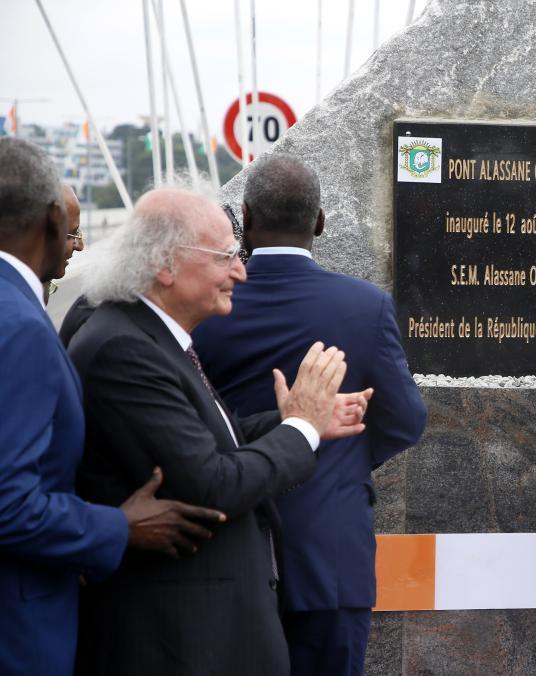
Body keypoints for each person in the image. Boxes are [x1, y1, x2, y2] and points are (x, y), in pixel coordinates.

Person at [65, 187, 369, 676]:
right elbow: (212, 483)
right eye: (225, 257)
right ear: (165, 265)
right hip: (177, 642)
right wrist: (300, 428)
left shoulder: (148, 336)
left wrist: (292, 419)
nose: (240, 273)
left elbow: (204, 442)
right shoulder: (125, 349)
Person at [193, 154, 427, 676]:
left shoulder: (208, 304)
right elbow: (407, 420)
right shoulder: (366, 306)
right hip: (329, 555)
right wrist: (342, 451)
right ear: (319, 221)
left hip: (227, 552)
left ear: (245, 217)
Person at [0, 137, 227, 675]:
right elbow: (9, 504)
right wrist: (117, 527)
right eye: (70, 229)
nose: (77, 244)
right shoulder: (19, 325)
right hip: (20, 631)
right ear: (52, 219)